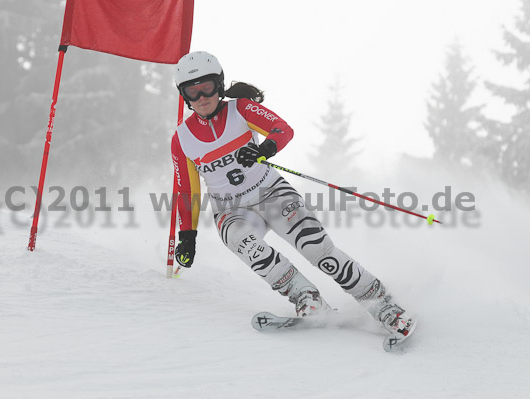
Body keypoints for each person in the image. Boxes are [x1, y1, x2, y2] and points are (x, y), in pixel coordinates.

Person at [171, 51, 414, 340]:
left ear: (219, 84)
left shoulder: (241, 109)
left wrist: (265, 149)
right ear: (184, 95)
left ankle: (382, 304)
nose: (201, 97)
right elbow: (186, 190)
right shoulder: (181, 139)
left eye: (207, 87)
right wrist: (188, 234)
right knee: (241, 241)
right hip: (231, 209)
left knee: (316, 249)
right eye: (192, 90)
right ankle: (306, 297)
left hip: (271, 192)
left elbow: (282, 129)